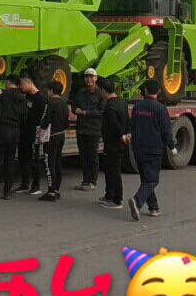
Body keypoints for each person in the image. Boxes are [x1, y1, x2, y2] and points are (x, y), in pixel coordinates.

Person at [128, 79, 174, 220]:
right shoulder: (160, 108)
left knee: (146, 179)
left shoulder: (137, 107)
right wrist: (172, 146)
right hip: (153, 149)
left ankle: (154, 208)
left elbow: (132, 126)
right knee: (152, 180)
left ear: (145, 91)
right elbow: (166, 131)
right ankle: (137, 201)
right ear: (158, 91)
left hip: (138, 148)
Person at [98, 78, 130, 209]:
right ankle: (109, 195)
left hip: (113, 143)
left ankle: (117, 199)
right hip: (119, 142)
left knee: (113, 171)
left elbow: (113, 125)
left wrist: (121, 135)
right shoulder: (122, 102)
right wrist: (126, 133)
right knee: (110, 169)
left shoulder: (109, 106)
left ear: (103, 90)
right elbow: (127, 120)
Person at [70, 67, 103, 191]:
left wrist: (86, 112)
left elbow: (101, 111)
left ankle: (92, 181)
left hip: (94, 129)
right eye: (87, 77)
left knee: (92, 156)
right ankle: (85, 181)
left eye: (91, 77)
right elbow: (73, 105)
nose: (89, 79)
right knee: (83, 156)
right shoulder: (80, 92)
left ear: (96, 78)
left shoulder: (100, 94)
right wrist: (76, 110)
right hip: (81, 129)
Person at [38, 80, 70, 201]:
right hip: (61, 135)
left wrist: (41, 135)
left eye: (48, 90)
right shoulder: (64, 104)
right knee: (57, 163)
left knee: (49, 163)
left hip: (51, 137)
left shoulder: (50, 103)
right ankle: (56, 190)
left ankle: (51, 191)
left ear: (51, 90)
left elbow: (45, 120)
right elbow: (67, 123)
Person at [16, 73, 46, 194]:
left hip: (34, 132)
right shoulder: (26, 96)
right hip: (23, 132)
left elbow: (43, 117)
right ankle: (25, 184)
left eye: (22, 84)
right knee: (22, 158)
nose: (20, 87)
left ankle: (36, 185)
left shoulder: (41, 98)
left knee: (34, 159)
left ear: (29, 83)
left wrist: (41, 134)